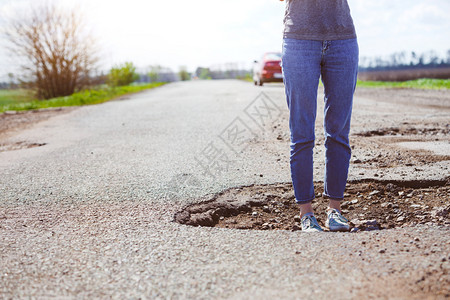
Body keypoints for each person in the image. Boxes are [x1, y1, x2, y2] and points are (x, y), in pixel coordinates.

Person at [280, 0, 359, 232]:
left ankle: (335, 211)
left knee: (338, 131)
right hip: (298, 40)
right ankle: (306, 214)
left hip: (343, 39)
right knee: (302, 131)